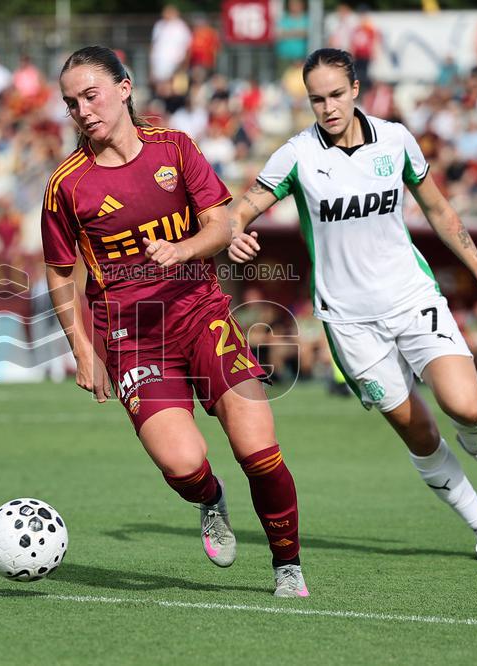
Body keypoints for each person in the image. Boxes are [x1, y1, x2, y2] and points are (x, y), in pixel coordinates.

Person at [228, 48, 477, 564]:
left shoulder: (396, 139)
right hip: (349, 322)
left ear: (356, 90)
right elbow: (243, 207)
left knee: (466, 407)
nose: (328, 107)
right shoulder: (297, 154)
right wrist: (233, 231)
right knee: (418, 430)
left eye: (337, 95)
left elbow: (437, 207)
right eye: (317, 99)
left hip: (412, 297)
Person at [43, 46, 307, 597]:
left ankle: (288, 567)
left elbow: (222, 224)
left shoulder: (175, 148)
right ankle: (211, 500)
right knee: (184, 465)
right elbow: (59, 274)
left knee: (259, 451)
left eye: (91, 95)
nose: (83, 110)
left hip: (202, 314)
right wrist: (83, 351)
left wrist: (184, 250)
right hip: (132, 338)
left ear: (124, 87)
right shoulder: (66, 185)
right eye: (72, 103)